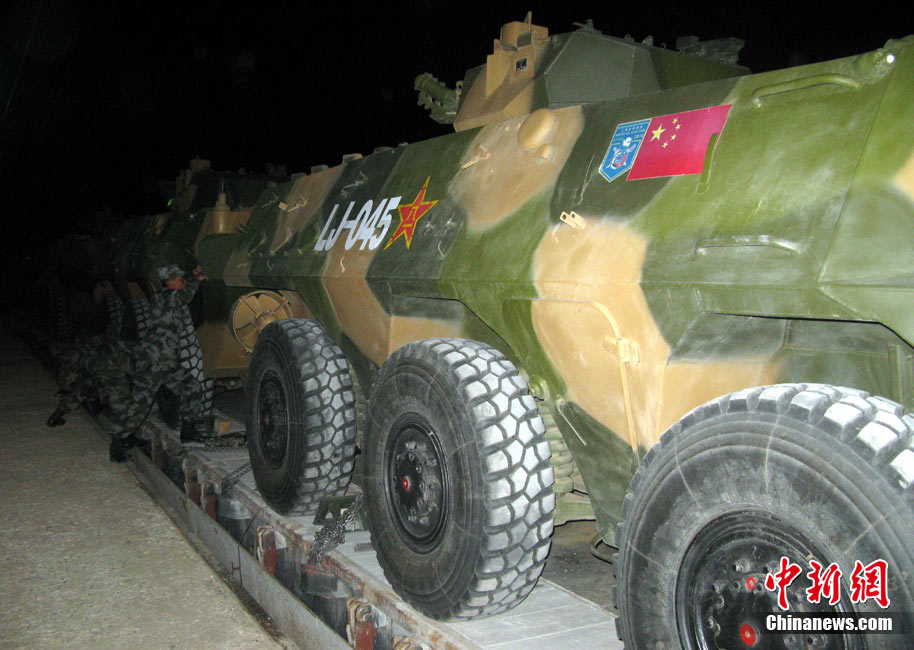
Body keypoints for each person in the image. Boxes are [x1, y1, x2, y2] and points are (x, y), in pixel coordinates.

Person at [140, 263, 211, 443]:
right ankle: (120, 444)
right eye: (181, 279)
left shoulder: (166, 297)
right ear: (171, 282)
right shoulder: (168, 297)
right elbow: (186, 295)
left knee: (192, 388)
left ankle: (188, 432)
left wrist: (193, 274)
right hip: (153, 361)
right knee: (139, 405)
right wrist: (196, 279)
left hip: (167, 362)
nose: (184, 282)